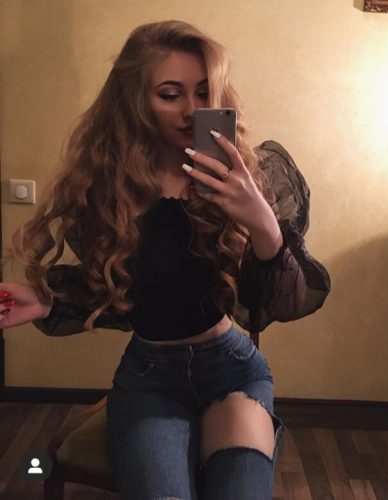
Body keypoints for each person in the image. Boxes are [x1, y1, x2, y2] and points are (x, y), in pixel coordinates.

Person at [0, 20, 331, 500]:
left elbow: (283, 304)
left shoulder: (252, 175)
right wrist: (46, 300)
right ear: (135, 100)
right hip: (149, 379)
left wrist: (262, 222)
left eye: (204, 92)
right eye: (171, 95)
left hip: (232, 371)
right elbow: (124, 293)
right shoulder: (106, 190)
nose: (191, 110)